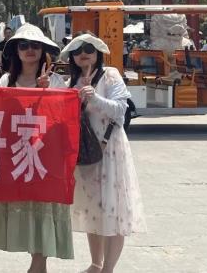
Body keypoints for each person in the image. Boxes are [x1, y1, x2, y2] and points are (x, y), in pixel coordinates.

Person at [0, 24, 73, 272]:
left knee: (44, 204)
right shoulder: (6, 80)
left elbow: (64, 117)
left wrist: (45, 91)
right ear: (16, 50)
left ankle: (38, 264)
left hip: (46, 153)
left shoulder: (56, 80)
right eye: (23, 45)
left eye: (35, 45)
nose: (29, 50)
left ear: (43, 50)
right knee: (25, 206)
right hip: (17, 153)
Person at [61, 33, 146, 273]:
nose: (83, 54)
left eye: (89, 49)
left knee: (113, 210)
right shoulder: (71, 82)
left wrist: (94, 97)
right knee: (92, 209)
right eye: (77, 50)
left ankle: (108, 268)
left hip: (110, 150)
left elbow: (120, 110)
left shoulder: (110, 75)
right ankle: (96, 264)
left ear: (98, 53)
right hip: (85, 152)